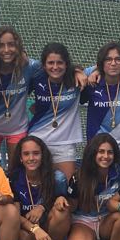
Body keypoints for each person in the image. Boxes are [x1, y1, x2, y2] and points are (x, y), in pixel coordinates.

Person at [6, 136, 71, 240]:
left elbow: (61, 200)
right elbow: (13, 214)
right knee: (20, 232)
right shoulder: (13, 178)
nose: (31, 158)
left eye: (36, 153)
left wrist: (43, 206)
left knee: (62, 211)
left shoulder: (57, 177)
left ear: (43, 156)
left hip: (47, 224)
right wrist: (34, 229)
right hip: (25, 227)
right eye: (26, 154)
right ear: (20, 157)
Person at [0, 26, 41, 163]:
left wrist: (78, 71)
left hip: (17, 129)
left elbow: (54, 68)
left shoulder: (29, 66)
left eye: (11, 45)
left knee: (16, 171)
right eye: (1, 45)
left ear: (18, 46)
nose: (6, 50)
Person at [27, 42, 85, 181]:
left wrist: (79, 71)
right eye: (50, 63)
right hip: (37, 139)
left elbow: (101, 67)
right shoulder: (37, 78)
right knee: (38, 186)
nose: (55, 67)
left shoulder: (75, 79)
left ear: (66, 64)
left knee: (67, 186)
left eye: (59, 63)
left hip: (64, 143)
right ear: (44, 65)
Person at [82, 42, 120, 163]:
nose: (113, 63)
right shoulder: (92, 82)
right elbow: (74, 72)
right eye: (108, 59)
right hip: (97, 149)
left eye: (118, 59)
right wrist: (95, 70)